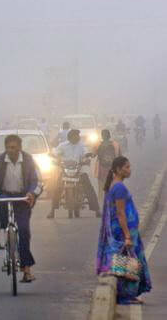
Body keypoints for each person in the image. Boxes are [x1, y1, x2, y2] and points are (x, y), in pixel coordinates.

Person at [0, 134, 42, 283]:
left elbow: (36, 181)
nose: (11, 150)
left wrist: (31, 193)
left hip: (22, 198)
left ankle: (26, 269)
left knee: (24, 231)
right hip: (4, 196)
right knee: (0, 219)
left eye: (14, 148)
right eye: (9, 148)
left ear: (20, 148)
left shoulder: (28, 160)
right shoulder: (0, 160)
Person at [96, 157, 151, 304]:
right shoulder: (119, 187)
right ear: (118, 169)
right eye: (126, 167)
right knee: (125, 263)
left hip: (123, 230)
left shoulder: (116, 185)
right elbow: (120, 213)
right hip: (122, 231)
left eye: (129, 167)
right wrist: (127, 235)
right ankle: (125, 295)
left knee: (124, 262)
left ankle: (127, 295)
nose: (129, 170)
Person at [48, 129, 100, 218]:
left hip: (79, 171)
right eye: (75, 136)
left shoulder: (82, 146)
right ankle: (52, 211)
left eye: (78, 136)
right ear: (70, 137)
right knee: (57, 189)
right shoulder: (63, 146)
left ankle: (97, 210)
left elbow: (86, 153)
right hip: (65, 171)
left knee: (89, 188)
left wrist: (88, 157)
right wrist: (52, 155)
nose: (77, 137)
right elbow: (55, 152)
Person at [93, 130, 121, 205]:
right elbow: (119, 156)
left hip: (101, 168)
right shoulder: (115, 144)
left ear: (102, 136)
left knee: (101, 186)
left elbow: (93, 154)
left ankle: (101, 203)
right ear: (109, 135)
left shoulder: (98, 144)